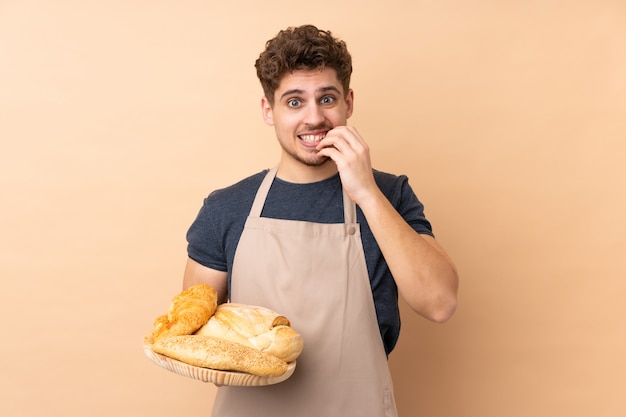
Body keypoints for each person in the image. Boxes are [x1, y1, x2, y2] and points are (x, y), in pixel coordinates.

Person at [182, 24, 458, 417]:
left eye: (326, 98)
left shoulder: (390, 194)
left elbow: (439, 303)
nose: (314, 118)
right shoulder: (226, 208)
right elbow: (198, 338)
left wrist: (365, 192)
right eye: (294, 102)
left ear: (348, 102)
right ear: (268, 110)